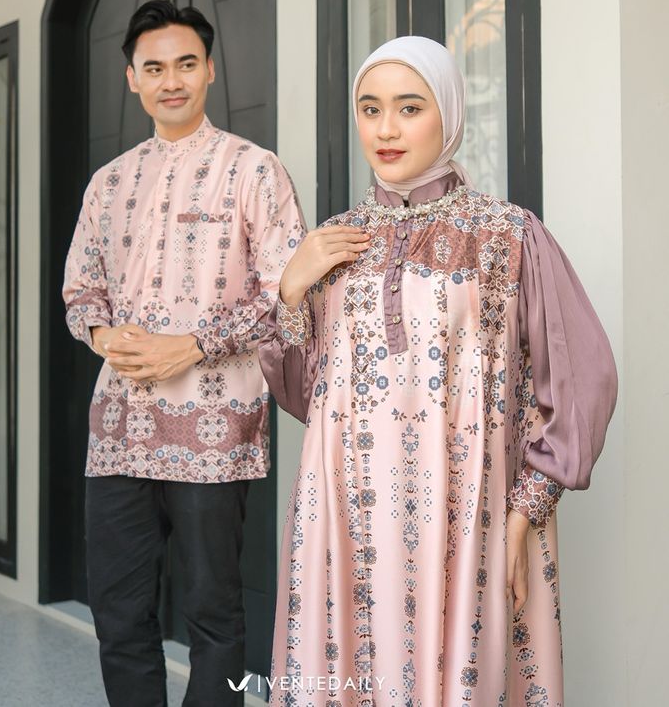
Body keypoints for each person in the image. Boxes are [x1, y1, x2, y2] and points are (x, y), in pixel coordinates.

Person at [259, 37, 617, 706]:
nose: (386, 129)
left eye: (409, 107)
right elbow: (306, 394)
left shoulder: (508, 235)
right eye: (370, 109)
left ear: (448, 114)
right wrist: (290, 289)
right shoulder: (331, 242)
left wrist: (524, 515)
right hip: (346, 514)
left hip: (469, 513)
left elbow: (581, 381)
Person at [62, 0, 306, 707]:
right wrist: (102, 335)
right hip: (118, 433)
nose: (171, 81)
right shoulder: (108, 183)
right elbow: (81, 291)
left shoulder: (254, 171)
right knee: (119, 615)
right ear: (132, 77)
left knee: (214, 616)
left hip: (214, 430)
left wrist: (193, 346)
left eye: (186, 64)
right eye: (155, 67)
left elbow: (287, 293)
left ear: (210, 70)